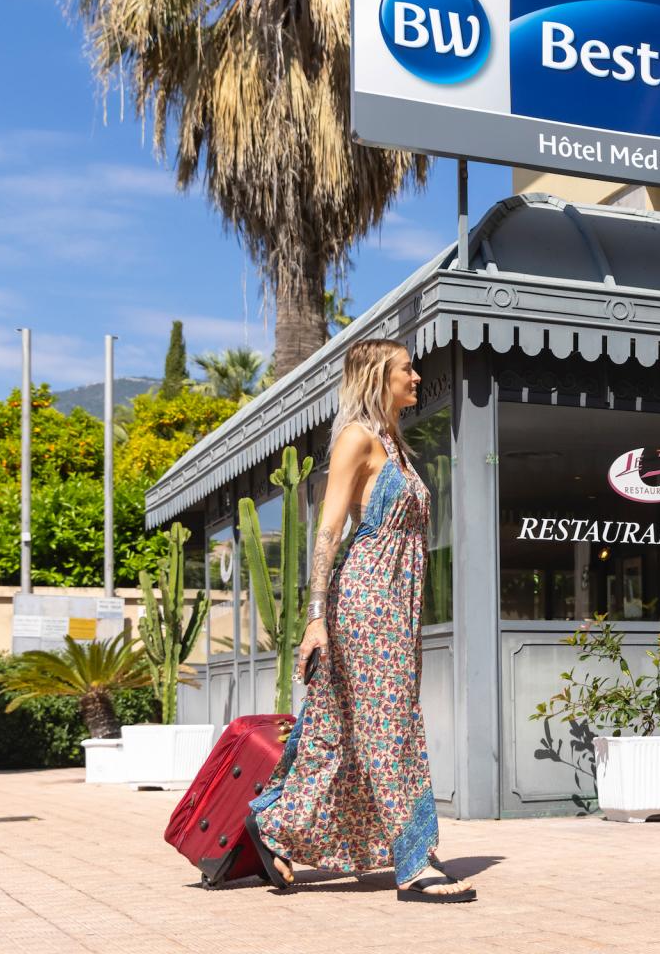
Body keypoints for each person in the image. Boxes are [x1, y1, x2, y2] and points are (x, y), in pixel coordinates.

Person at [243, 338, 476, 902]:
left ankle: (274, 827)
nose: (417, 377)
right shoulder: (356, 438)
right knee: (388, 726)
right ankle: (414, 860)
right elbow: (329, 532)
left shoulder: (395, 445)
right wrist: (317, 617)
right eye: (406, 369)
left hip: (398, 606)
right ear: (377, 377)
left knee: (347, 732)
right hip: (367, 602)